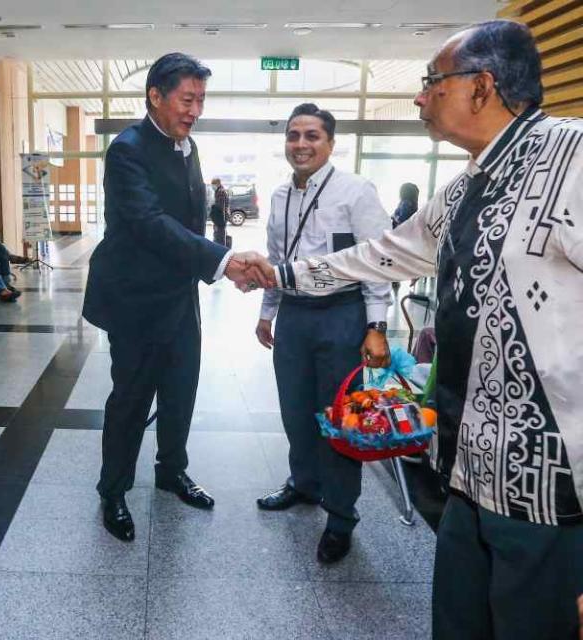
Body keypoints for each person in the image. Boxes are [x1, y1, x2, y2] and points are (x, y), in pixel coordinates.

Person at [245, 20, 583, 639]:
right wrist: (282, 274)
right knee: (456, 622)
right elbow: (376, 257)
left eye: (432, 83)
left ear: (481, 87)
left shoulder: (573, 159)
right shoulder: (461, 189)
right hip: (462, 465)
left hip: (549, 483)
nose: (420, 98)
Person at [82, 52, 266, 542]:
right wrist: (224, 262)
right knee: (132, 397)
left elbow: (189, 221)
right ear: (155, 97)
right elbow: (148, 223)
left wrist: (216, 265)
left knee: (181, 389)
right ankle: (113, 489)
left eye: (201, 100)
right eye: (187, 99)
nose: (194, 110)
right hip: (136, 300)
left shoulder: (189, 146)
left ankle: (170, 472)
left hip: (180, 296)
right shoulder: (128, 149)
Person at [254, 103, 392, 564]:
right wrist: (267, 312)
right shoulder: (279, 196)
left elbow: (377, 262)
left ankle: (340, 516)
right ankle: (304, 485)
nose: (301, 144)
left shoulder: (356, 192)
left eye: (312, 136)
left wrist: (376, 326)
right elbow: (278, 260)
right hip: (294, 315)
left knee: (337, 419)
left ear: (330, 143)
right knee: (295, 410)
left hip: (341, 315)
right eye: (294, 135)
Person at [209, 177, 228, 245]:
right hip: (221, 218)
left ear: (217, 184)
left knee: (219, 236)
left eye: (213, 184)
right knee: (220, 234)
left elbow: (220, 207)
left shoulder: (220, 192)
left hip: (220, 218)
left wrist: (212, 207)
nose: (212, 186)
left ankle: (220, 249)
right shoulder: (219, 191)